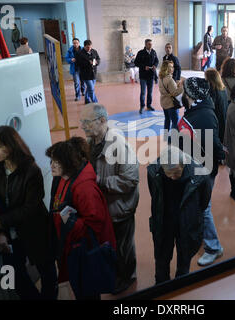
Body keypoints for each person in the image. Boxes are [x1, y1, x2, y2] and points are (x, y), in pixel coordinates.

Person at [0, 126, 57, 300]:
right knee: (14, 277)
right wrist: (0, 233)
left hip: (34, 228)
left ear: (12, 145)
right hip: (8, 231)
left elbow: (30, 208)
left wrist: (0, 223)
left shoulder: (31, 170)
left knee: (46, 271)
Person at [79, 103, 139, 294]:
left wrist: (100, 181)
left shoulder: (119, 145)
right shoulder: (91, 143)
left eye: (87, 122)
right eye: (82, 122)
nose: (83, 126)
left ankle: (127, 277)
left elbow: (130, 179)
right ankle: (115, 273)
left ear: (103, 121)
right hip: (104, 207)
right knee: (110, 245)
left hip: (119, 208)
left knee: (123, 247)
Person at [46, 138, 116, 300]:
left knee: (87, 293)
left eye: (57, 161)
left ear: (69, 163)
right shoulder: (63, 178)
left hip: (83, 253)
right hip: (73, 248)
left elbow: (94, 226)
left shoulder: (84, 188)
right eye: (52, 161)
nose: (52, 165)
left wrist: (70, 221)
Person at [177, 77, 226, 267]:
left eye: (184, 90)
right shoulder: (198, 110)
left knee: (203, 208)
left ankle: (214, 248)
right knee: (199, 207)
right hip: (195, 166)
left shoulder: (203, 115)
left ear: (189, 94)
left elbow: (211, 144)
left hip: (201, 170)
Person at [147, 146, 211, 284]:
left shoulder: (200, 175)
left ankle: (181, 285)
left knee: (184, 259)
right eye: (169, 174)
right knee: (161, 257)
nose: (173, 178)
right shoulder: (154, 171)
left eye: (177, 173)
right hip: (164, 222)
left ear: (184, 164)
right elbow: (155, 194)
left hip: (187, 224)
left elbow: (204, 203)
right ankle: (161, 285)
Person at [159, 60, 184, 133]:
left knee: (167, 119)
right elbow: (175, 93)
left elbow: (167, 89)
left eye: (172, 67)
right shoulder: (169, 79)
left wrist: (176, 85)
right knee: (175, 121)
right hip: (171, 104)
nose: (172, 69)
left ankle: (166, 136)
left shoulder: (161, 77)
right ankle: (173, 138)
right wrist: (182, 86)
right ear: (166, 68)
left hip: (164, 102)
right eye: (170, 67)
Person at [135, 39, 159, 114]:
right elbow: (136, 63)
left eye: (151, 44)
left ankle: (149, 105)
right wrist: (144, 67)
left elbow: (157, 61)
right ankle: (142, 106)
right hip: (143, 76)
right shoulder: (140, 52)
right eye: (149, 44)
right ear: (145, 44)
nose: (151, 45)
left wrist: (155, 65)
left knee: (150, 92)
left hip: (151, 76)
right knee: (143, 92)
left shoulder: (153, 52)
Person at [205, 68, 228, 143]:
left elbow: (210, 106)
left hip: (215, 118)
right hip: (223, 117)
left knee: (213, 141)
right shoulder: (223, 88)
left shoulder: (212, 90)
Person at [75, 40, 100, 104]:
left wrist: (96, 62)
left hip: (93, 73)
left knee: (89, 88)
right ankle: (96, 103)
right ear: (84, 46)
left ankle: (86, 100)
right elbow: (78, 64)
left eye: (90, 47)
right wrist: (88, 63)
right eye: (87, 47)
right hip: (86, 74)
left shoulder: (94, 51)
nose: (89, 49)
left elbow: (98, 58)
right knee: (91, 89)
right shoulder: (80, 53)